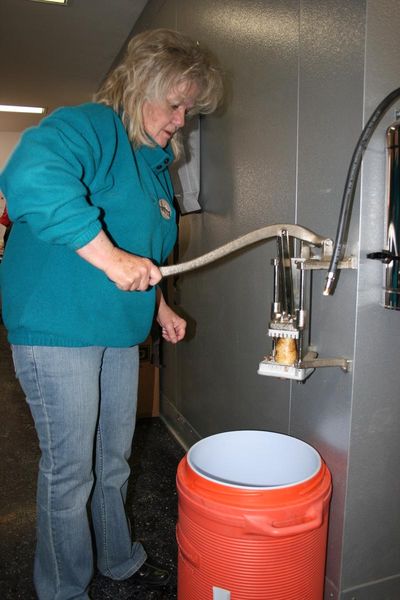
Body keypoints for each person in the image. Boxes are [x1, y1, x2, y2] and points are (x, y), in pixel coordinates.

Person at [0, 28, 223, 600]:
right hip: (58, 327)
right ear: (140, 86)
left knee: (114, 461)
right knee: (71, 471)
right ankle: (63, 589)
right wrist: (108, 256)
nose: (181, 119)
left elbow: (138, 258)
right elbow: (30, 176)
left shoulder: (154, 168)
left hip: (118, 330)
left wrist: (160, 307)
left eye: (189, 109)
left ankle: (119, 559)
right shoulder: (91, 127)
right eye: (174, 103)